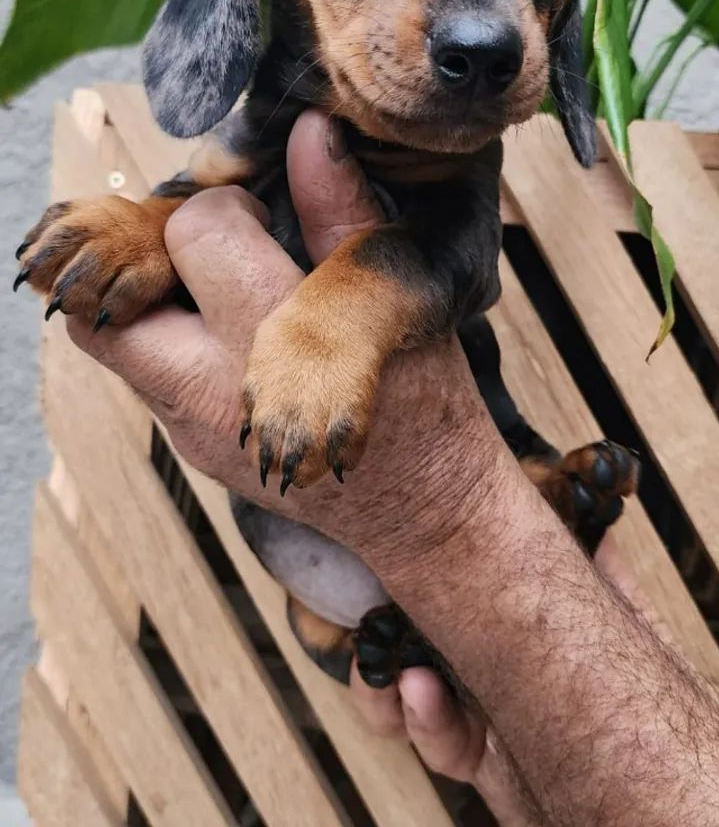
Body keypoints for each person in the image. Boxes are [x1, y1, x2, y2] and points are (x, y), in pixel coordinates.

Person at [68, 111, 719, 826]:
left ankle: (546, 506)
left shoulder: (451, 165)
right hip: (328, 587)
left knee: (497, 482)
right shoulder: (259, 121)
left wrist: (439, 518)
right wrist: (145, 233)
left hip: (439, 529)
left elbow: (452, 261)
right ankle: (422, 603)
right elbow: (185, 222)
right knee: (337, 638)